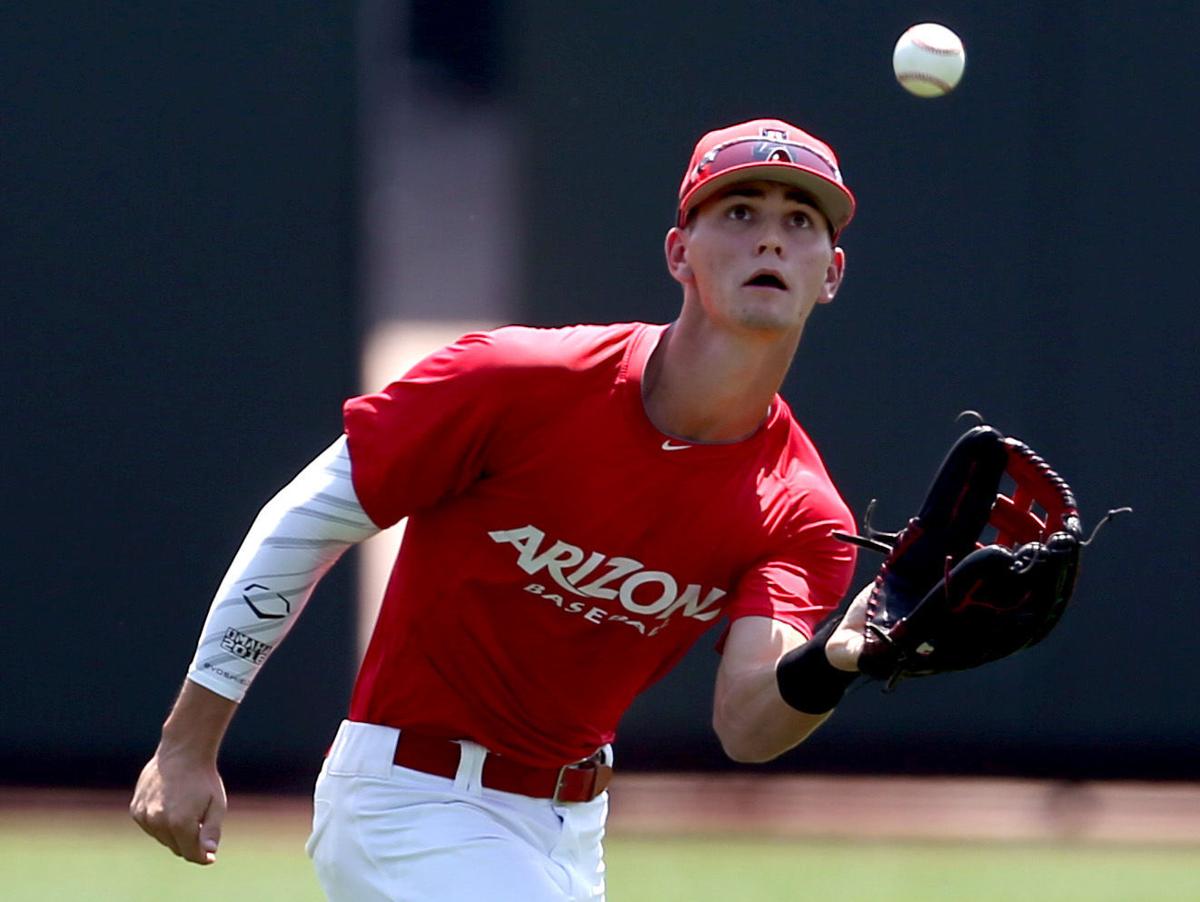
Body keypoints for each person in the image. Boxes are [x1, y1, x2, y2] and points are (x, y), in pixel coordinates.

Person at [131, 117, 875, 901]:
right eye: (739, 212)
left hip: (570, 831)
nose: (770, 241)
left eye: (801, 220)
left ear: (831, 272)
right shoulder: (518, 380)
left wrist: (837, 662)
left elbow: (747, 724)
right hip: (408, 799)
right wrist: (187, 743)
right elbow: (304, 520)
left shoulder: (802, 511)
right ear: (678, 253)